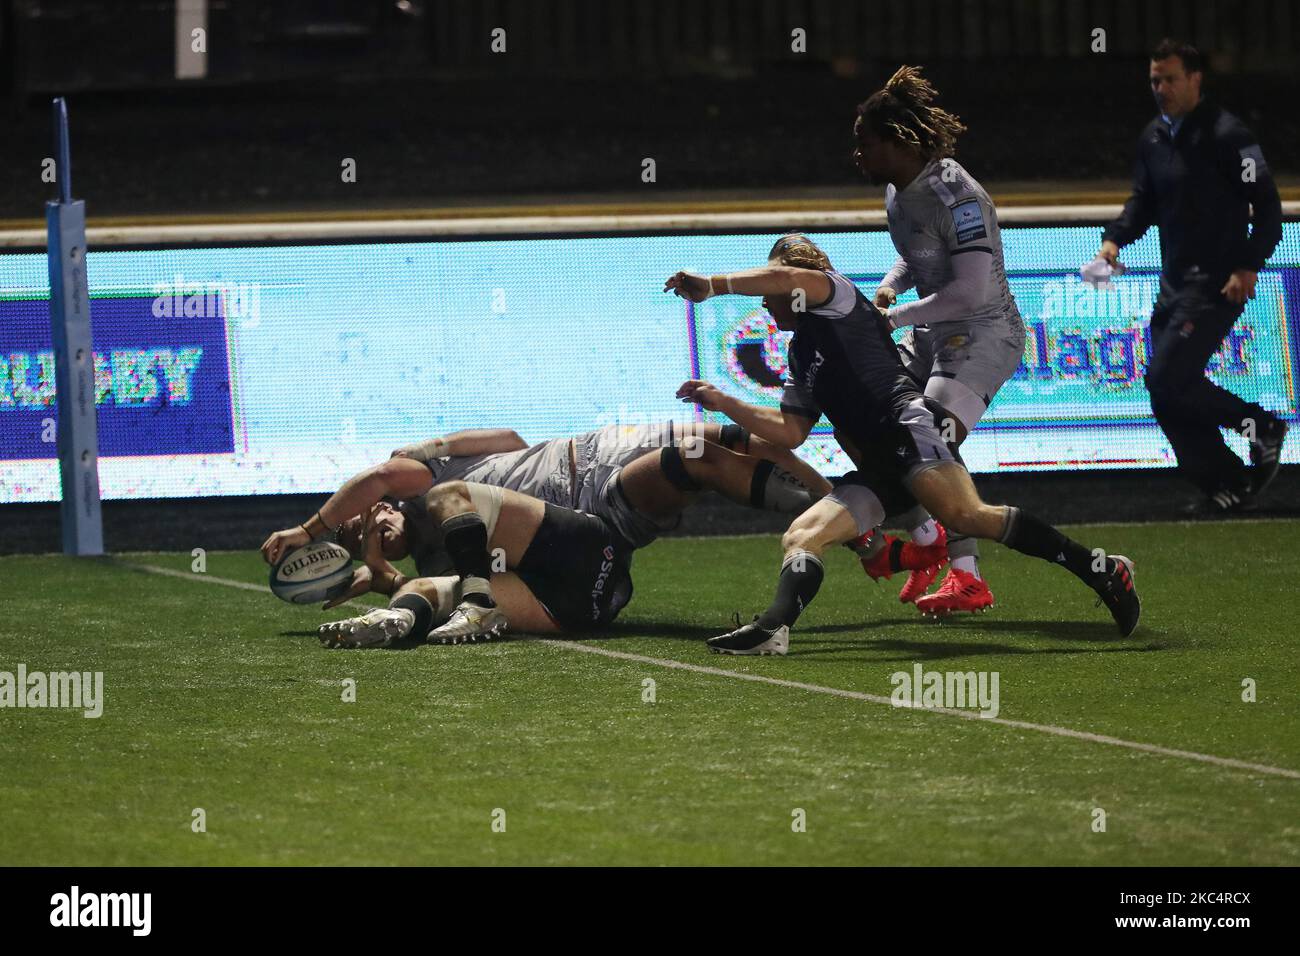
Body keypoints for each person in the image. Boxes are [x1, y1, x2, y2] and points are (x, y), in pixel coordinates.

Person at [666, 234, 1141, 656]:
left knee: (965, 517)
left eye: (771, 294)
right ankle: (774, 628)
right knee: (802, 536)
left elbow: (788, 276)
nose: (767, 304)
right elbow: (790, 430)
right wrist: (724, 401)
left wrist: (712, 285)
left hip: (906, 428)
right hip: (879, 463)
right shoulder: (800, 350)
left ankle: (1102, 569)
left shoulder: (837, 295)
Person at [852, 64, 1027, 615]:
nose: (857, 154)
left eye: (864, 143)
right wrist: (887, 288)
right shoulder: (897, 190)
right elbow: (920, 252)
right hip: (931, 329)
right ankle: (928, 540)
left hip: (982, 335)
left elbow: (972, 291)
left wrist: (896, 318)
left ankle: (968, 575)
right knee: (869, 426)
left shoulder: (959, 196)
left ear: (896, 143)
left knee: (931, 441)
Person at [1098, 38, 1285, 514]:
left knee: (1166, 378)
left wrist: (1247, 265)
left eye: (1170, 79)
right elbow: (1144, 201)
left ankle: (1260, 425)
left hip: (1218, 282)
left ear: (1195, 79)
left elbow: (1267, 207)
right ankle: (1223, 484)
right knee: (1164, 392)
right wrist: (1116, 238)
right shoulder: (1154, 138)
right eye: (1154, 80)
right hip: (1174, 285)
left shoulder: (1228, 135)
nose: (1160, 88)